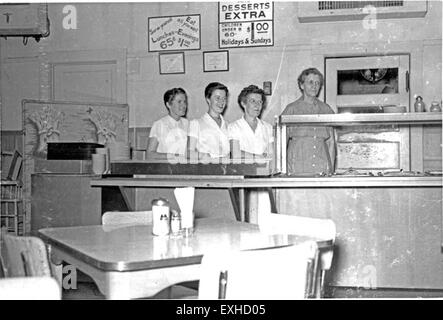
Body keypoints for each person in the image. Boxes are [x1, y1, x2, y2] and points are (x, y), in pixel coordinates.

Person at [281, 68, 336, 175]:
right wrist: (283, 170)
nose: (314, 86)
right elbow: (282, 143)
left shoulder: (326, 109)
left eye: (317, 83)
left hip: (322, 167)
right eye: (310, 82)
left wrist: (331, 171)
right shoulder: (291, 109)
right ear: (302, 85)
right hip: (298, 168)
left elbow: (331, 143)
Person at [228, 85, 274, 161]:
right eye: (253, 101)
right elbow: (236, 154)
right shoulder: (234, 127)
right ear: (243, 104)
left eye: (260, 102)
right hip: (242, 171)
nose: (257, 105)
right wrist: (258, 157)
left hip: (263, 171)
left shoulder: (267, 127)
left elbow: (271, 153)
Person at [188, 82, 230, 162]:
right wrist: (205, 156)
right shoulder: (196, 123)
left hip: (227, 171)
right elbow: (188, 153)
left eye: (224, 98)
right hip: (207, 171)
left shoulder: (228, 125)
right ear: (208, 99)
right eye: (217, 98)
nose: (222, 102)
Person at [147, 88, 189, 161]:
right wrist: (173, 156)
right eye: (179, 102)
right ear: (168, 105)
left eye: (185, 102)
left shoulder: (188, 124)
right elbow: (150, 154)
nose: (184, 105)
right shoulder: (159, 125)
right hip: (165, 169)